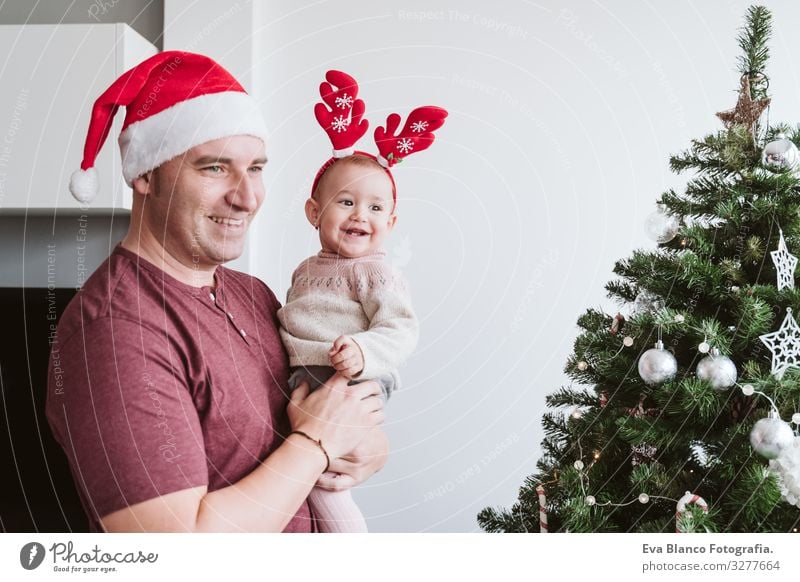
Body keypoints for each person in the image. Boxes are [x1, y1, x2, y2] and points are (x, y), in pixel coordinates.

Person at [45, 51, 387, 533]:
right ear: (145, 174)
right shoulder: (117, 331)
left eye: (256, 168)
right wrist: (316, 444)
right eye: (214, 168)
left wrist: (364, 443)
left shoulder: (255, 296)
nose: (246, 197)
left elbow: (326, 413)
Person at [275, 70, 447, 532]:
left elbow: (401, 328)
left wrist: (363, 352)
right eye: (345, 202)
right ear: (315, 212)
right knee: (309, 471)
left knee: (326, 478)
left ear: (390, 221)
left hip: (351, 378)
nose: (360, 216)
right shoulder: (305, 270)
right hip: (307, 375)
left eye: (374, 208)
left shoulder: (377, 272)